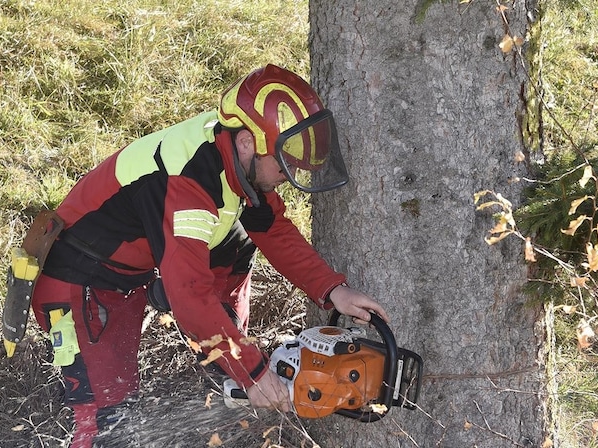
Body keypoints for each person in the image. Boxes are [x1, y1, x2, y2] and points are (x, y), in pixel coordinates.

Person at [28, 64, 390, 447]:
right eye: (283, 161)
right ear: (248, 142)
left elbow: (272, 228)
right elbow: (189, 293)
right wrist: (252, 371)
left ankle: (219, 342)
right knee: (109, 420)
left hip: (132, 270)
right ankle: (220, 346)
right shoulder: (188, 183)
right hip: (78, 280)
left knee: (238, 232)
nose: (289, 172)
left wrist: (333, 290)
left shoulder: (232, 154)